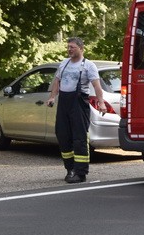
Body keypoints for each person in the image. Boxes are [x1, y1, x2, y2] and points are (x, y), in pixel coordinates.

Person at [45, 37, 107, 184]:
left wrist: (102, 103)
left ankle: (80, 173)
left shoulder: (88, 66)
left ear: (80, 48)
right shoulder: (64, 64)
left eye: (72, 47)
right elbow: (57, 81)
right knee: (63, 135)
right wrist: (52, 97)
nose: (69, 50)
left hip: (79, 104)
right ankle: (70, 169)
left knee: (79, 138)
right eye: (68, 47)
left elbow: (97, 86)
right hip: (64, 104)